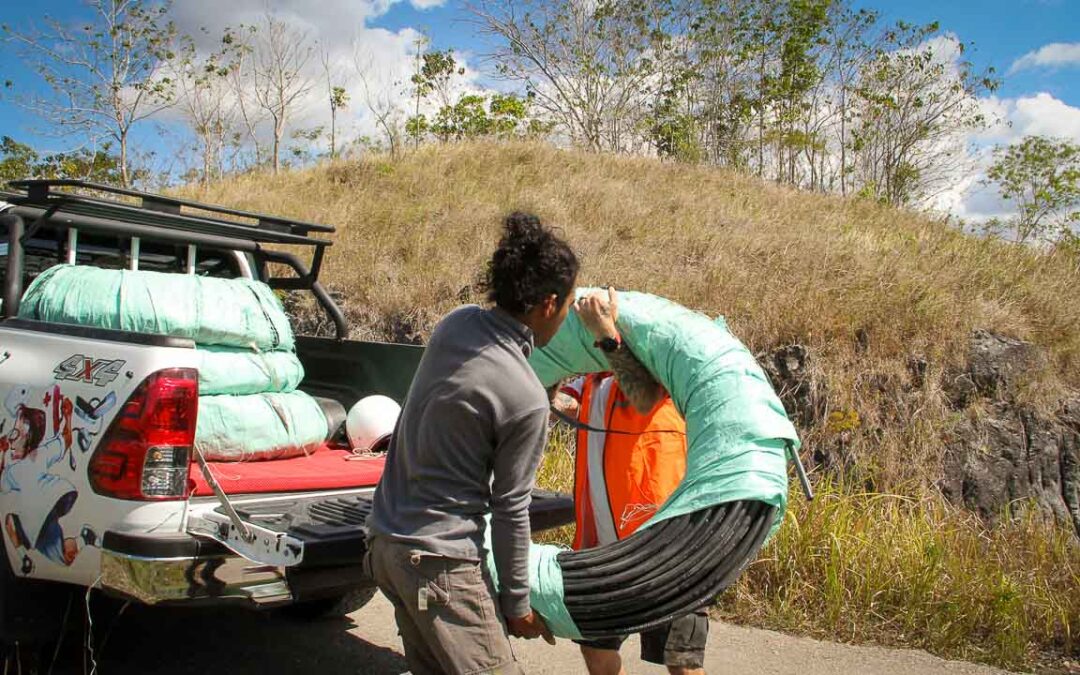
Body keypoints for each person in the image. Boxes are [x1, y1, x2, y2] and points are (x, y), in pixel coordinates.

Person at [367, 212, 579, 675]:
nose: (566, 315)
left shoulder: (455, 325)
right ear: (548, 304)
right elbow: (510, 509)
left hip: (387, 547)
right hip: (440, 563)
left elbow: (474, 393)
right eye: (567, 305)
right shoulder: (524, 397)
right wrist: (517, 603)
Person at [554, 288, 709, 675]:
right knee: (596, 652)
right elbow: (558, 402)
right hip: (602, 548)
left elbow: (644, 396)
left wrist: (607, 333)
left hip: (665, 545)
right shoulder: (592, 378)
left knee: (682, 663)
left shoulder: (661, 368)